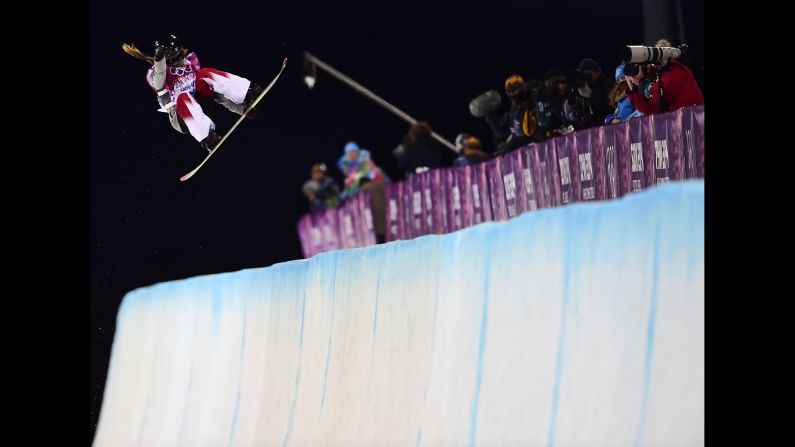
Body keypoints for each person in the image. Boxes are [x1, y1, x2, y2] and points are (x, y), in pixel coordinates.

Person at [122, 35, 264, 152]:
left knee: (204, 74)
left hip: (202, 107)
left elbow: (216, 94)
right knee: (183, 97)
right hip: (182, 117)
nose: (178, 62)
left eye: (179, 57)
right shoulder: (158, 74)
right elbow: (159, 82)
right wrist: (159, 62)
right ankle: (208, 138)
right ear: (166, 61)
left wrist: (241, 109)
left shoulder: (189, 64)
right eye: (173, 60)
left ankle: (248, 92)